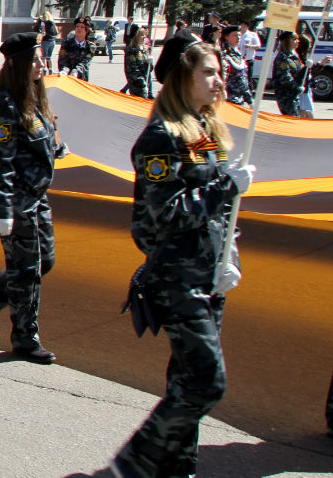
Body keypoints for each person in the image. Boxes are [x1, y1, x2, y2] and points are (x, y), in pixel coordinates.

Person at [110, 31, 252, 478]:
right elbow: (168, 212)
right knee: (206, 379)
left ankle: (179, 465)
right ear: (182, 77)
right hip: (176, 274)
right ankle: (130, 468)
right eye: (208, 71)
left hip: (208, 271)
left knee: (187, 378)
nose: (219, 79)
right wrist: (228, 186)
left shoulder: (200, 129)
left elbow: (213, 200)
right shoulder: (161, 137)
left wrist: (229, 253)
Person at [0, 33, 66, 364]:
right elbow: (0, 162)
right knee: (27, 269)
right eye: (34, 59)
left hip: (38, 197)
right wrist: (2, 208)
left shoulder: (32, 98)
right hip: (19, 201)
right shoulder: (5, 106)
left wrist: (57, 145)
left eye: (41, 58)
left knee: (43, 261)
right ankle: (25, 336)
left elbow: (40, 140)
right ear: (18, 64)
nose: (41, 63)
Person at [271, 31, 303, 117]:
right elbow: (285, 78)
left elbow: (300, 73)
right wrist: (297, 87)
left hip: (294, 95)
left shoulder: (294, 57)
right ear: (287, 41)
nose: (298, 41)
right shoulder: (282, 58)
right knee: (292, 119)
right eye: (294, 39)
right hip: (286, 96)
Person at [221, 25, 252, 106]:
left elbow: (243, 79)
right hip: (229, 99)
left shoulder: (239, 54)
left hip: (240, 99)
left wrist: (249, 100)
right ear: (226, 37)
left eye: (239, 35)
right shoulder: (224, 54)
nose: (238, 38)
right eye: (235, 35)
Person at [123, 25, 154, 99]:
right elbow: (131, 69)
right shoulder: (132, 50)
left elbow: (148, 68)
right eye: (141, 35)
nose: (144, 37)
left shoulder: (143, 50)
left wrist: (150, 63)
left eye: (144, 35)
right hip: (137, 84)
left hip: (144, 81)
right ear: (136, 37)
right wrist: (141, 82)